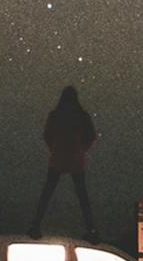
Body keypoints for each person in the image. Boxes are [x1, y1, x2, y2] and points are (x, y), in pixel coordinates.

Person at [29, 85, 98, 241]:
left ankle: (35, 225)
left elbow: (47, 134)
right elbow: (91, 135)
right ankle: (91, 229)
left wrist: (54, 148)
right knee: (82, 195)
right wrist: (82, 149)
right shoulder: (82, 116)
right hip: (76, 157)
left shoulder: (55, 115)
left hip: (58, 156)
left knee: (47, 193)